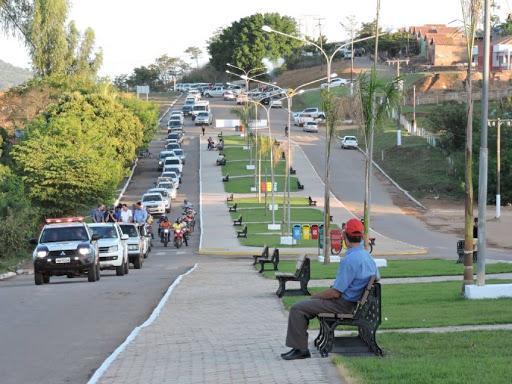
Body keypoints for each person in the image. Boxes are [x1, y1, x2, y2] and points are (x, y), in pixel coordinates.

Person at [281, 218, 378, 361]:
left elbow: (335, 292)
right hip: (355, 304)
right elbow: (376, 278)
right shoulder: (367, 257)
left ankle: (300, 349)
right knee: (306, 305)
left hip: (343, 305)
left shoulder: (350, 259)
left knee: (298, 308)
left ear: (345, 237)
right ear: (362, 236)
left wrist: (315, 297)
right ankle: (299, 347)